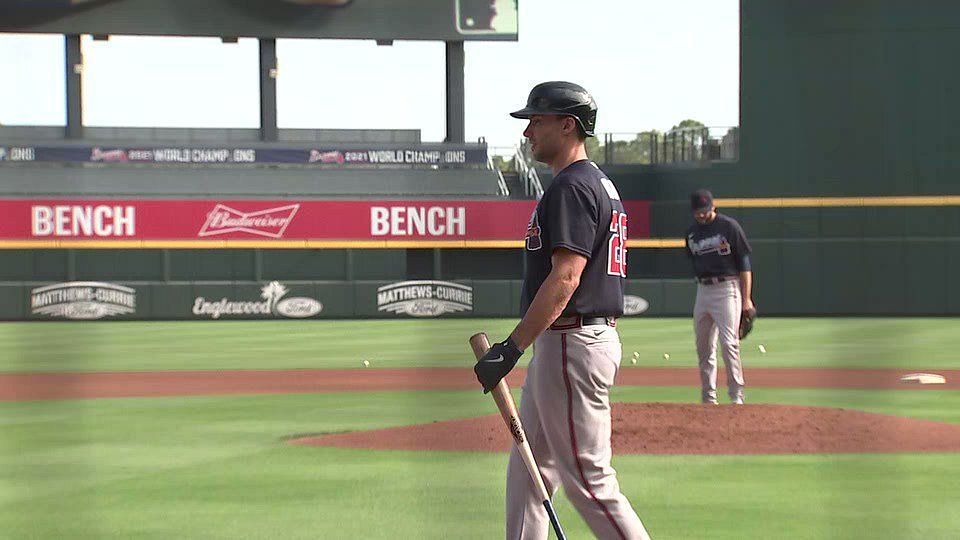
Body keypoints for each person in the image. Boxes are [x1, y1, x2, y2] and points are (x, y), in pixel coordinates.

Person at [474, 81, 651, 540]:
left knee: (590, 481)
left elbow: (566, 278)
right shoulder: (593, 183)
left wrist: (511, 348)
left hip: (574, 342)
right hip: (569, 342)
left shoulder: (573, 186)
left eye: (537, 120)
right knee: (530, 470)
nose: (528, 130)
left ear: (567, 124)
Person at [684, 189, 754, 405]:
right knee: (703, 346)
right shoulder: (691, 233)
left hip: (727, 288)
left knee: (729, 343)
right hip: (703, 290)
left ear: (713, 206)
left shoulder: (728, 227)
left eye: (705, 210)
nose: (702, 215)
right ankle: (708, 398)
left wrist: (746, 299)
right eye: (698, 212)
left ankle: (736, 397)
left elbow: (744, 265)